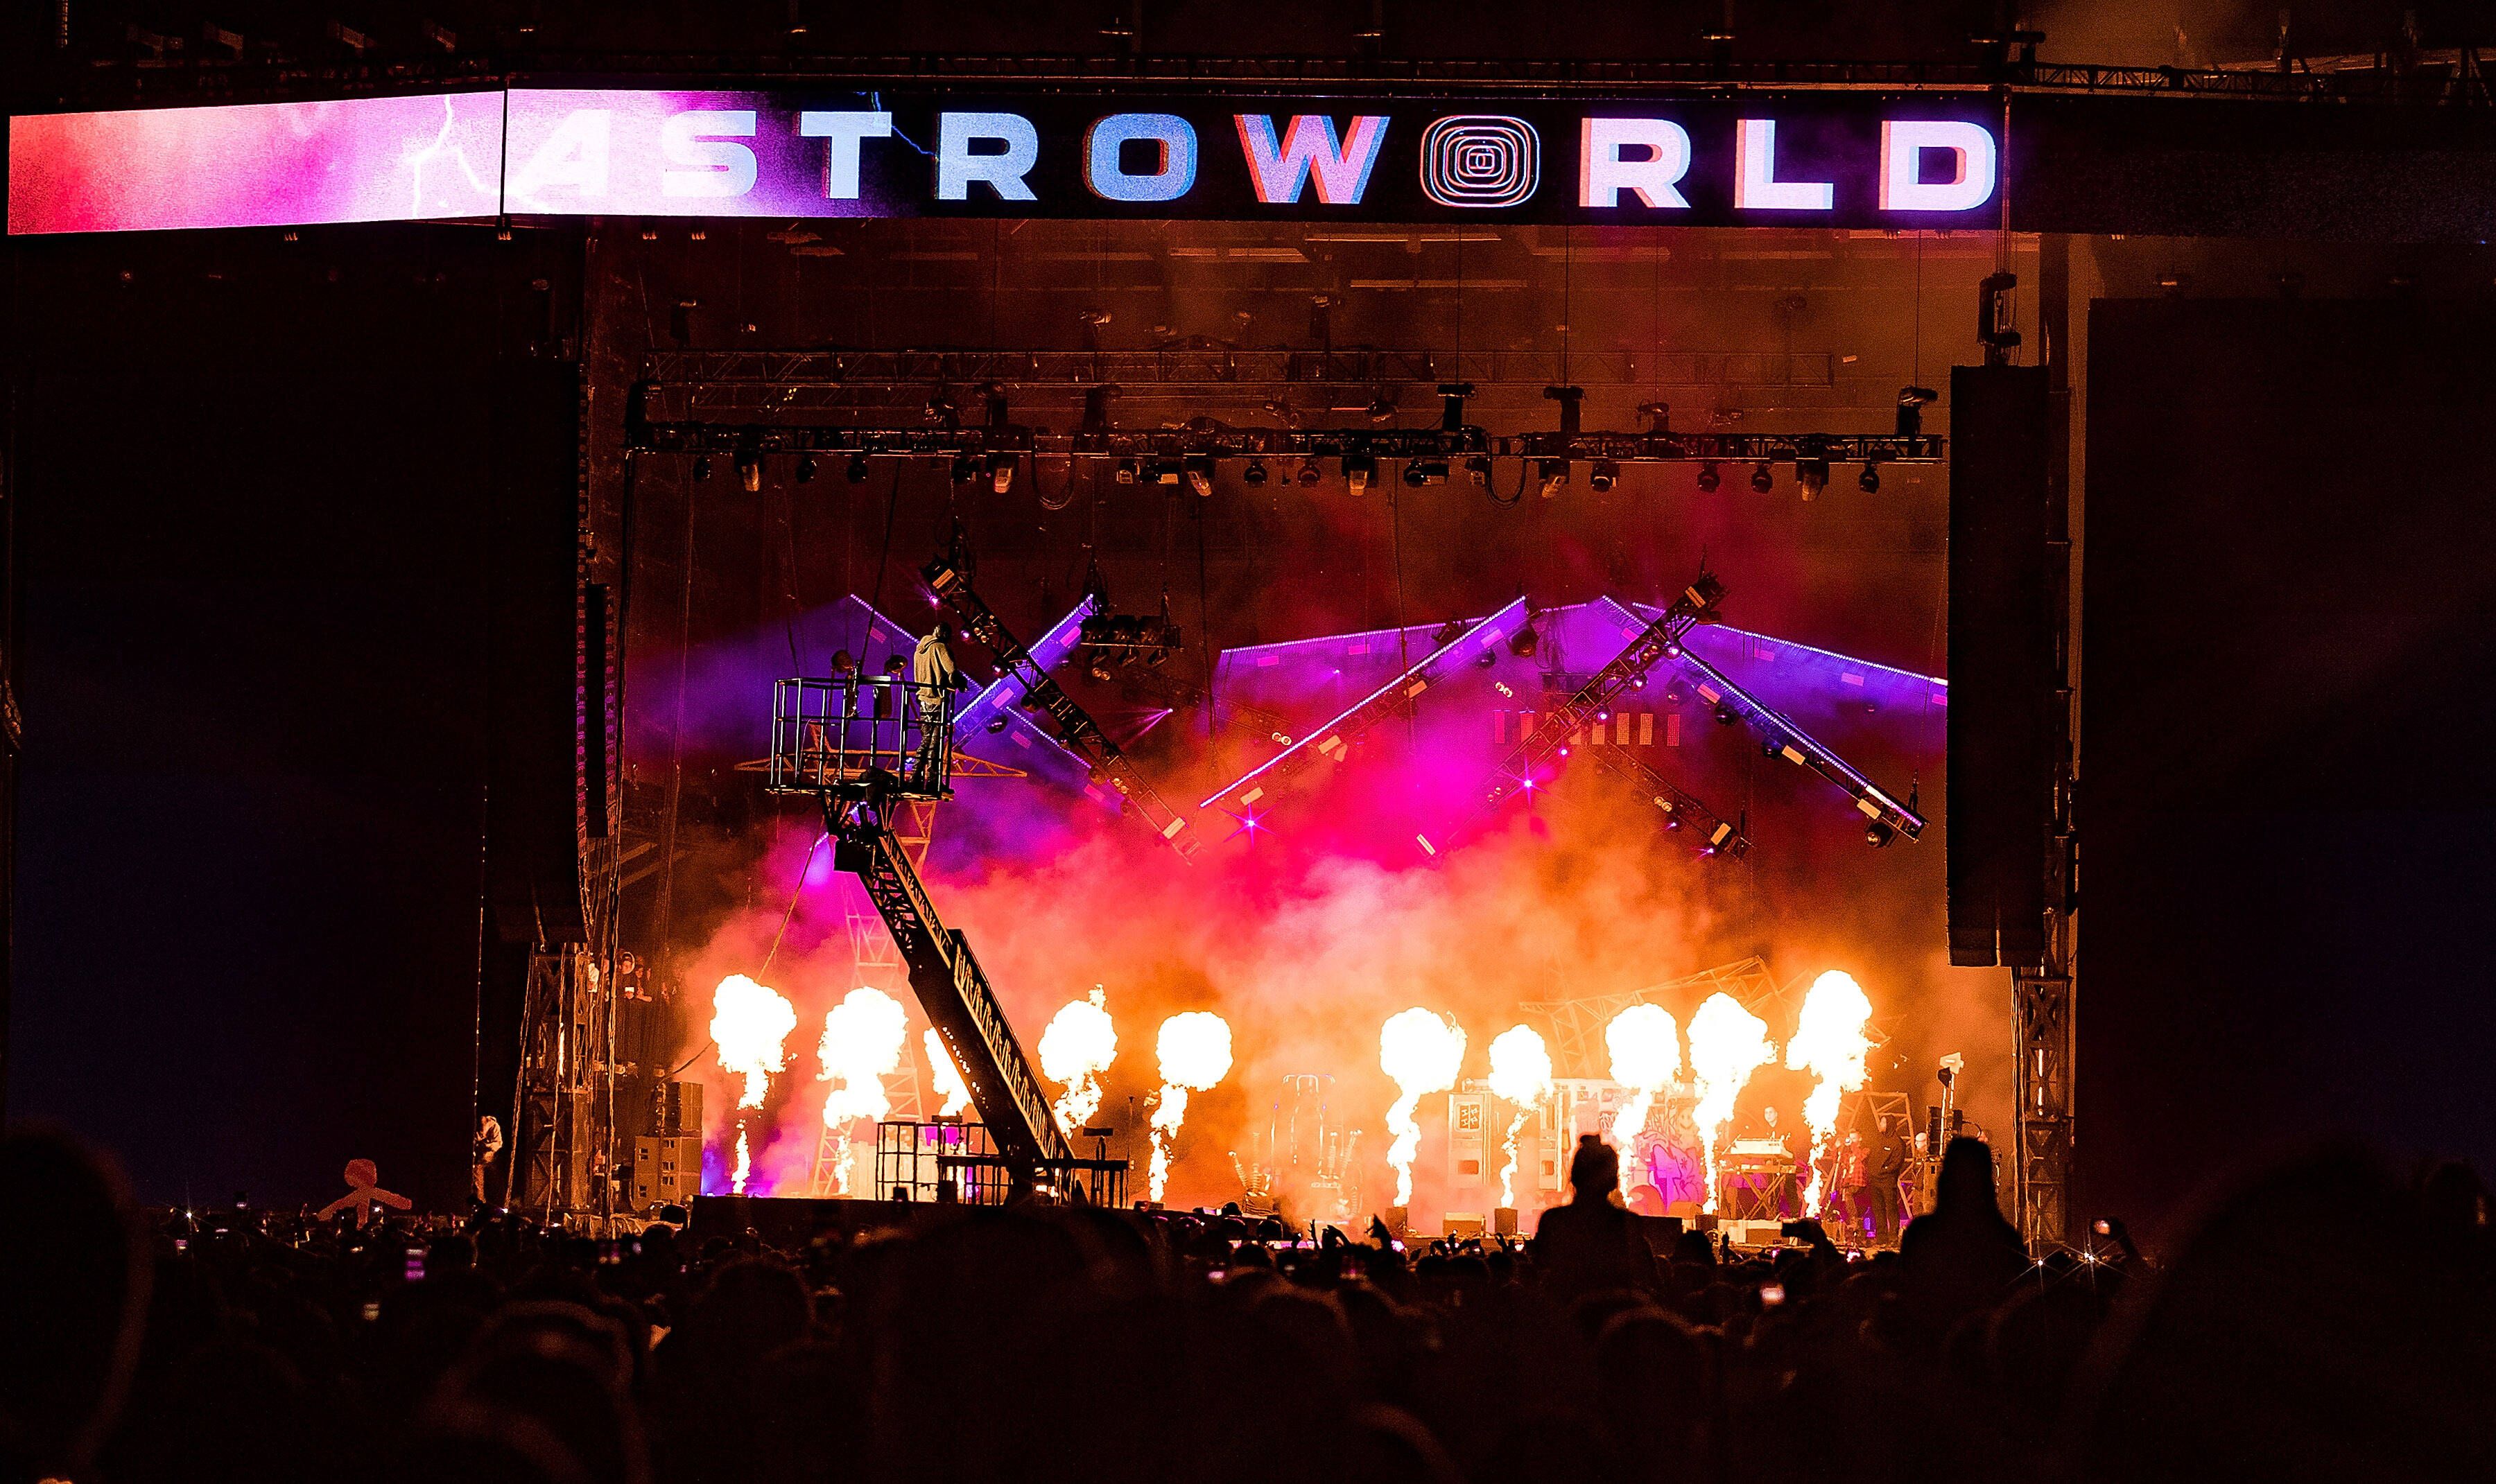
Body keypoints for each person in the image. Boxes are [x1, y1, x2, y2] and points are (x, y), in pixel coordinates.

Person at [1531, 1135, 1658, 1304]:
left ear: (1575, 1177)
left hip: (1564, 1314)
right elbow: (1649, 1276)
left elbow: (1538, 1266)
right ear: (1614, 1181)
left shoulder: (1554, 1221)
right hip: (1615, 1314)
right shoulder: (1627, 1224)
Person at [1869, 1116, 1908, 1243]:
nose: (1880, 1124)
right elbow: (1872, 1157)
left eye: (1883, 1122)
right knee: (1878, 1208)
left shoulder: (1898, 1143)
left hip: (1888, 1181)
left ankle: (1893, 1236)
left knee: (1891, 1208)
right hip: (1875, 1180)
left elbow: (1897, 1163)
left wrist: (1884, 1170)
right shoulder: (1877, 1139)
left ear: (1889, 1124)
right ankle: (1881, 1237)